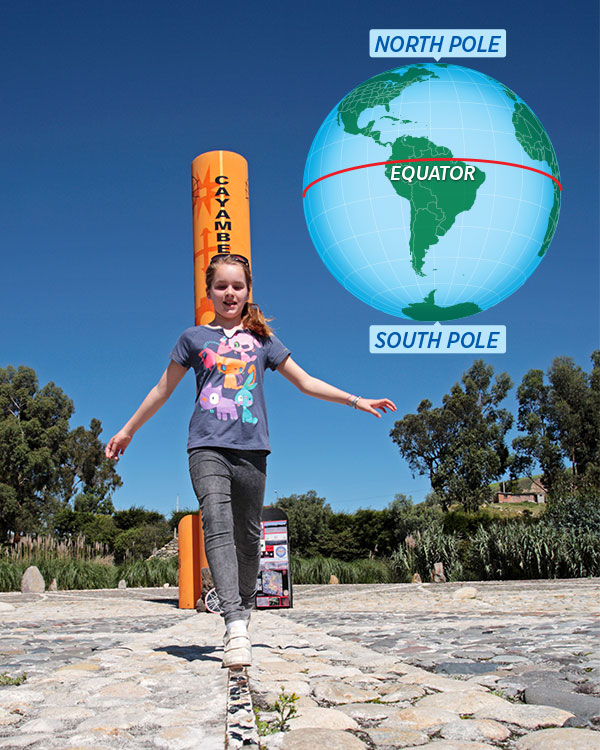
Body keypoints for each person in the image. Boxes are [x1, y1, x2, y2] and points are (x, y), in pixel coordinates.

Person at [105, 253, 396, 669]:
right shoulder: (192, 338)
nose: (229, 293)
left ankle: (243, 606)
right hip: (205, 445)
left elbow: (305, 381)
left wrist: (355, 400)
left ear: (247, 292)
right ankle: (235, 624)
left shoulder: (263, 341)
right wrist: (128, 429)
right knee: (217, 525)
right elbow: (161, 389)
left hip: (252, 451)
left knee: (249, 538)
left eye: (237, 286)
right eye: (221, 286)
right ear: (209, 291)